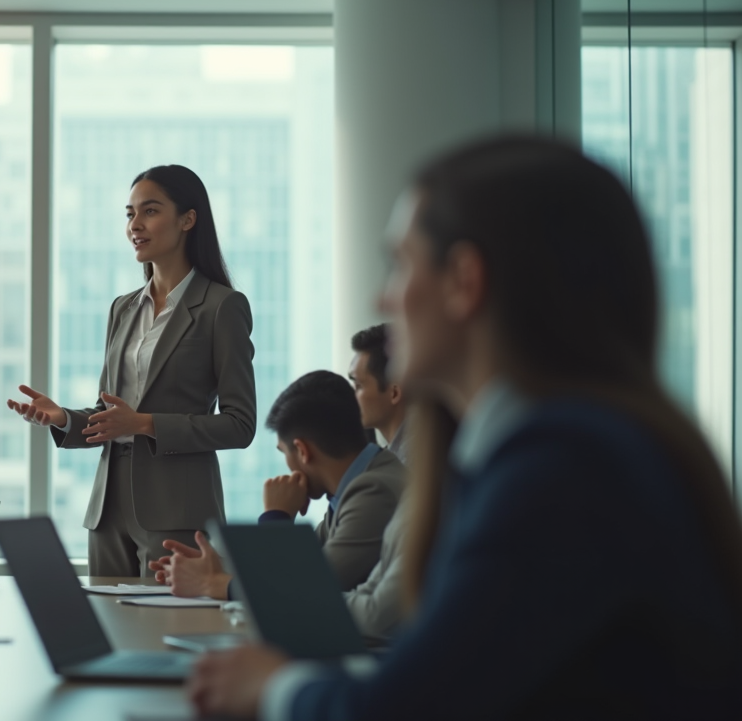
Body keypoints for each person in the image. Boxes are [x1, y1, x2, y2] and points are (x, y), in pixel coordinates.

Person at [188, 137, 742, 720]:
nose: (384, 295)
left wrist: (276, 687)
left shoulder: (560, 471)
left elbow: (407, 708)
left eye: (400, 264)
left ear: (463, 280)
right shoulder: (561, 448)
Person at [6, 165, 257, 577]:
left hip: (177, 511)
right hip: (107, 511)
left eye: (150, 211)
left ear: (188, 219)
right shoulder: (122, 308)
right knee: (109, 631)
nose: (135, 225)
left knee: (161, 633)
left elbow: (239, 425)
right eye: (129, 214)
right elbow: (114, 415)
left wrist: (144, 424)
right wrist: (65, 418)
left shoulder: (221, 307)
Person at [151, 371, 405, 598]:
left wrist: (277, 516)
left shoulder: (373, 490)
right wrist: (219, 567)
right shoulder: (355, 484)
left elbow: (303, 589)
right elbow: (300, 568)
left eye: (283, 452)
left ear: (302, 450)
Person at [349, 324, 409, 462]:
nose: (351, 396)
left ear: (394, 393)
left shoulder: (413, 463)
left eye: (358, 386)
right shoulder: (395, 456)